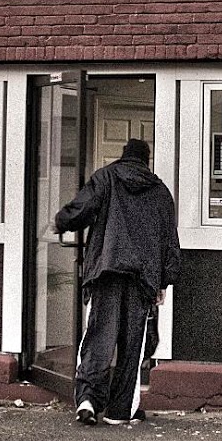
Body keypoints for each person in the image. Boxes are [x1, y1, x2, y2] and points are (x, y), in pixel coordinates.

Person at [53, 137, 180, 426]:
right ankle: (120, 410)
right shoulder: (160, 191)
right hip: (142, 277)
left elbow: (81, 209)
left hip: (107, 271)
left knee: (99, 336)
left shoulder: (106, 177)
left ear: (123, 157)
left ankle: (87, 400)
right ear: (146, 161)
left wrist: (60, 221)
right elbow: (169, 241)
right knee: (132, 343)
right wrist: (164, 281)